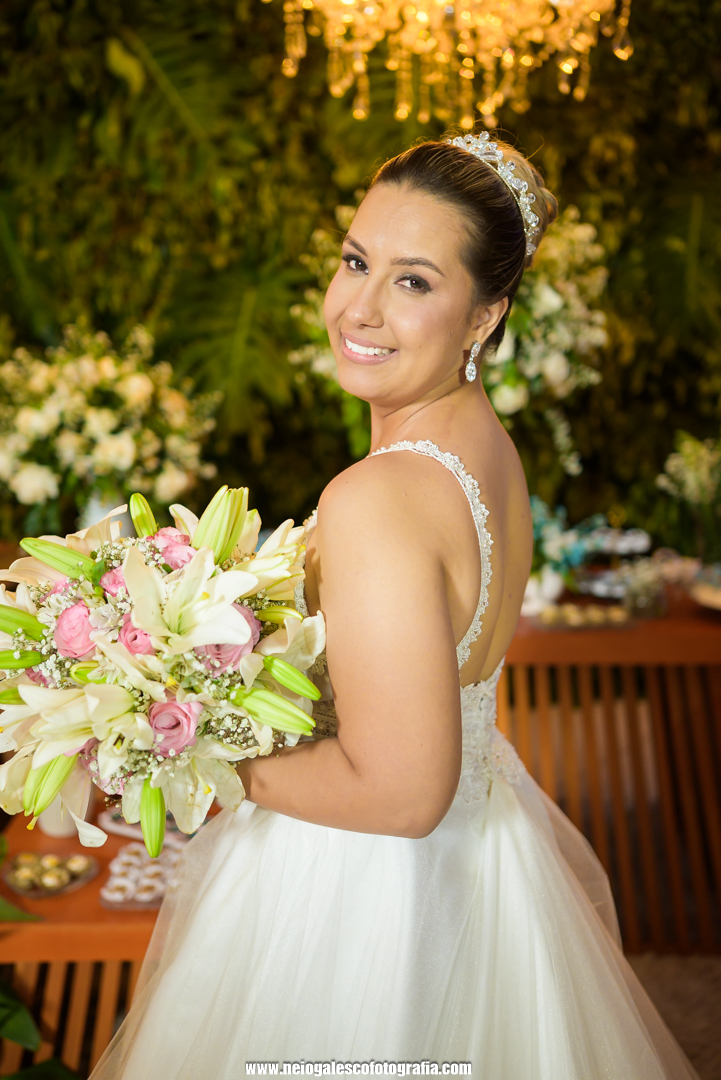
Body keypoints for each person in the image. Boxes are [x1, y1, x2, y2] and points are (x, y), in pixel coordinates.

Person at [91, 133, 699, 1079]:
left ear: (485, 315)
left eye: (413, 281)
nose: (359, 308)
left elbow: (404, 794)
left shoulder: (379, 496)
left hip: (363, 897)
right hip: (480, 866)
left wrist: (182, 744)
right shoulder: (486, 453)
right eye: (355, 261)